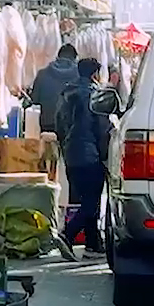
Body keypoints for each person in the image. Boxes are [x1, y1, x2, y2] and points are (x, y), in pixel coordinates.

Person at [57, 55, 116, 257]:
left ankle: (93, 243)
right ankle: (68, 235)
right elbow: (101, 129)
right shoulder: (94, 96)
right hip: (89, 154)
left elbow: (59, 125)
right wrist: (106, 153)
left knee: (84, 200)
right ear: (95, 74)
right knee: (92, 202)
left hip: (71, 154)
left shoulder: (66, 94)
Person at [30, 39, 82, 118]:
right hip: (69, 125)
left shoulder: (42, 74)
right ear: (75, 58)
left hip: (45, 123)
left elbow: (34, 100)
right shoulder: (79, 75)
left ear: (57, 57)